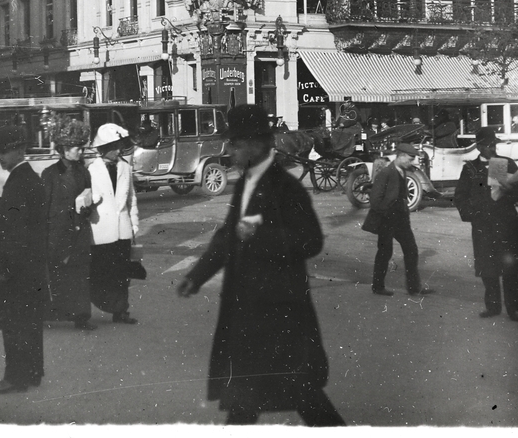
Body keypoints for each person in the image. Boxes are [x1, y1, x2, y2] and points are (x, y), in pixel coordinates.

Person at [176, 104, 344, 426]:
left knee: (301, 395)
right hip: (248, 312)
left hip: (279, 313)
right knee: (245, 399)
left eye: (234, 145)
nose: (229, 152)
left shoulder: (286, 187)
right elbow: (227, 237)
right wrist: (196, 277)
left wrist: (260, 235)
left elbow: (311, 241)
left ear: (254, 144)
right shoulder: (244, 183)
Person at [0, 126, 48, 394]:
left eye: (4, 152)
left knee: (14, 325)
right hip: (31, 268)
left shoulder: (19, 182)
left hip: (16, 270)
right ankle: (31, 373)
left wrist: (5, 268)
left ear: (19, 151)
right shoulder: (30, 178)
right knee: (30, 323)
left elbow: (15, 232)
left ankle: (14, 377)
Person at [455, 127, 518, 322]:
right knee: (488, 268)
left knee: (509, 269)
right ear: (479, 146)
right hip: (483, 226)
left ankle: (514, 309)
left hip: (506, 225)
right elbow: (460, 197)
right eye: (488, 145)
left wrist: (510, 189)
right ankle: (493, 307)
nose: (493, 148)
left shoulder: (504, 163)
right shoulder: (470, 168)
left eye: (495, 144)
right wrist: (472, 215)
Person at [361, 144, 434, 297]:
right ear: (400, 156)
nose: (412, 162)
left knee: (411, 250)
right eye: (410, 158)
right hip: (387, 219)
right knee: (385, 252)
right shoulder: (386, 173)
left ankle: (414, 288)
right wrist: (386, 214)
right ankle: (378, 286)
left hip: (400, 219)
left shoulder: (402, 171)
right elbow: (375, 200)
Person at [42, 120, 95, 330]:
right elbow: (44, 207)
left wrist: (88, 209)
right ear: (64, 149)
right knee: (57, 275)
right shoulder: (50, 174)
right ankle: (52, 315)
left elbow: (89, 196)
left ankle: (81, 317)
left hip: (79, 232)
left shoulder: (83, 172)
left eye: (82, 147)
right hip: (57, 232)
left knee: (81, 275)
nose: (81, 152)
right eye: (77, 148)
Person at [86, 123, 139, 325]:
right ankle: (94, 308)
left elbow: (131, 198)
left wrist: (134, 225)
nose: (119, 151)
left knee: (122, 273)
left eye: (120, 146)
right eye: (115, 147)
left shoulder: (125, 166)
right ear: (103, 148)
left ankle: (121, 311)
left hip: (122, 230)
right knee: (100, 272)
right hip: (100, 230)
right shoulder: (91, 169)